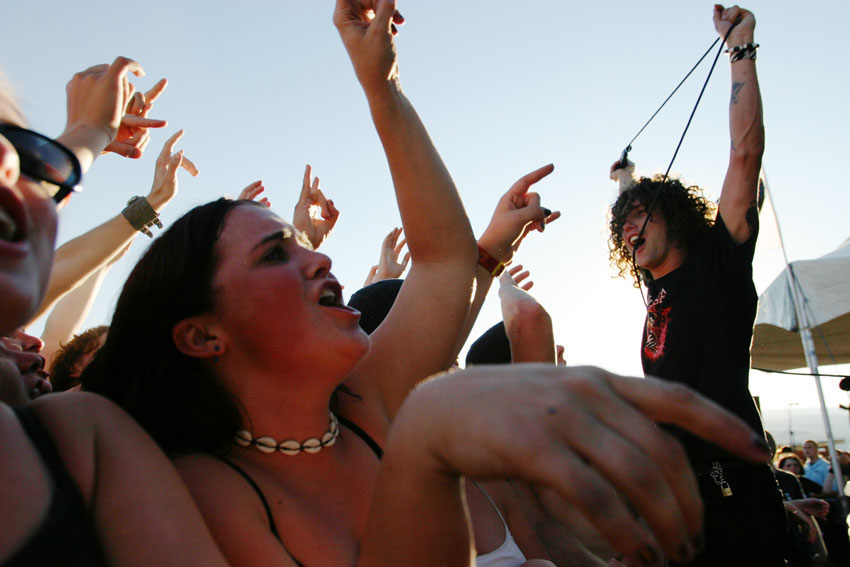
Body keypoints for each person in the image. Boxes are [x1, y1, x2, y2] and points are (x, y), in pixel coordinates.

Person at [0, 58, 230, 566]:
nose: (34, 342)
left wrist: (91, 142)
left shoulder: (87, 441)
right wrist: (85, 139)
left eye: (18, 150)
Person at [608, 5, 785, 565]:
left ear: (677, 218)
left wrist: (740, 50)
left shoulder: (716, 264)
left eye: (643, 214)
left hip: (732, 493)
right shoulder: (654, 291)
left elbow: (745, 154)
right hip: (678, 500)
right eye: (624, 223)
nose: (631, 227)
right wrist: (626, 184)